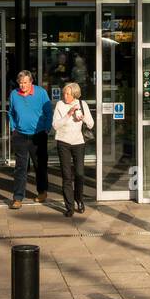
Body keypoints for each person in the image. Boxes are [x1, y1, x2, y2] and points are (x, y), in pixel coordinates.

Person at [7, 69, 52, 209]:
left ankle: (42, 191)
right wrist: (13, 128)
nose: (22, 85)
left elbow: (49, 111)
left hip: (38, 135)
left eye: (25, 82)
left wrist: (47, 128)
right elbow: (11, 113)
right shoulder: (14, 94)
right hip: (20, 135)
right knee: (20, 167)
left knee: (40, 165)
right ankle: (18, 198)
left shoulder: (41, 93)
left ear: (31, 82)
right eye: (20, 83)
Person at [52, 82, 94, 217]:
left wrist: (83, 117)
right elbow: (55, 125)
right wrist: (68, 114)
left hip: (78, 142)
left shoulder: (82, 104)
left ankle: (79, 200)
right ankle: (69, 206)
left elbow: (91, 124)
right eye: (64, 93)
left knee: (79, 174)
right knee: (66, 176)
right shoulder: (60, 105)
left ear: (75, 95)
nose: (65, 96)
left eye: (68, 94)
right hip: (63, 142)